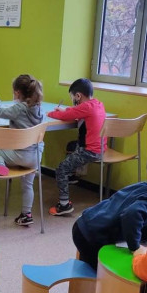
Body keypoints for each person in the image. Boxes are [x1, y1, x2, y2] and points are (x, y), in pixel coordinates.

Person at [73, 147, 147, 270]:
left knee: (91, 267)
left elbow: (135, 216)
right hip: (92, 236)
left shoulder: (143, 186)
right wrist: (135, 247)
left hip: (85, 223)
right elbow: (130, 215)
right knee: (103, 272)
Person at [0, 74, 44, 226]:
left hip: (20, 154)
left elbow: (0, 113)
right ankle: (26, 214)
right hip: (36, 156)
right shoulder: (38, 108)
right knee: (28, 185)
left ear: (17, 93)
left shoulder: (19, 108)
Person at [47, 78, 107, 216]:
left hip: (89, 151)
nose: (73, 100)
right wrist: (66, 110)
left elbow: (67, 115)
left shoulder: (85, 107)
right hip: (100, 148)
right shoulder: (97, 104)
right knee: (71, 145)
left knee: (61, 169)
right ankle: (72, 175)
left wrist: (51, 113)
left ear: (78, 96)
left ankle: (64, 205)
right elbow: (75, 111)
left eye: (73, 97)